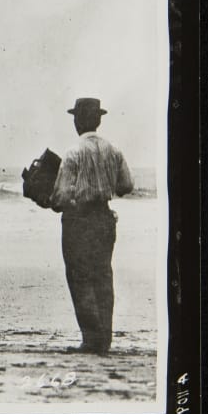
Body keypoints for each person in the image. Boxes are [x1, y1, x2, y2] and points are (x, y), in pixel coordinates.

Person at [49, 97, 134, 355]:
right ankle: (104, 339)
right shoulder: (114, 150)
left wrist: (51, 199)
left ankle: (91, 339)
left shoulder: (73, 153)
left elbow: (60, 198)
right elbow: (126, 186)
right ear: (98, 120)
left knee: (80, 278)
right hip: (105, 220)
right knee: (103, 277)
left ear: (78, 120)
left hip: (79, 221)